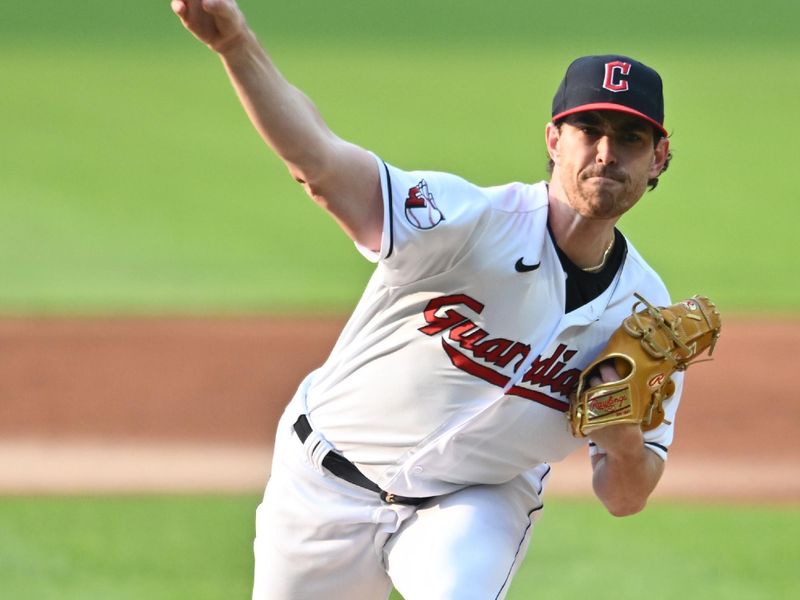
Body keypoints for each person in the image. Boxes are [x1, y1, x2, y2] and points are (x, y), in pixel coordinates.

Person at [171, 1, 676, 598]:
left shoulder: (645, 315)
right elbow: (321, 164)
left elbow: (625, 497)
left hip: (474, 502)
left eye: (630, 137)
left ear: (657, 158)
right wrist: (236, 47)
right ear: (553, 139)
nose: (605, 152)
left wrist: (620, 443)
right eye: (589, 130)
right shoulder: (468, 221)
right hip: (323, 482)